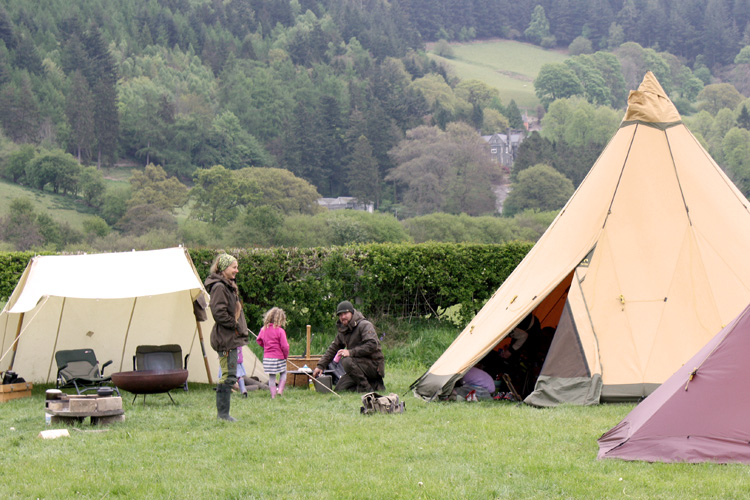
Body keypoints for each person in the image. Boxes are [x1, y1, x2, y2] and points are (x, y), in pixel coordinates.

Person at [204, 253, 249, 422]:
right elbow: (219, 313)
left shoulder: (228, 285)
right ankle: (223, 415)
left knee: (230, 375)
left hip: (231, 338)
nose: (237, 270)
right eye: (234, 267)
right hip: (225, 338)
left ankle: (224, 415)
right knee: (228, 376)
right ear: (223, 268)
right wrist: (234, 324)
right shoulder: (220, 287)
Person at [312, 301, 385, 392]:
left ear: (352, 313)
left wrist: (351, 352)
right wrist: (320, 366)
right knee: (340, 389)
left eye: (345, 313)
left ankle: (367, 388)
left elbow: (372, 345)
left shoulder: (364, 325)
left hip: (374, 365)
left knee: (346, 361)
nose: (343, 317)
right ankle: (374, 384)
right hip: (357, 365)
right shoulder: (343, 329)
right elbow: (333, 348)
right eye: (340, 315)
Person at [256, 307, 290, 399]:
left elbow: (258, 340)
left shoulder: (263, 329)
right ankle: (280, 391)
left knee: (272, 377)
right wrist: (285, 356)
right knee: (283, 373)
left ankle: (273, 395)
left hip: (267, 358)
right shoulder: (280, 331)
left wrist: (266, 346)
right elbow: (285, 346)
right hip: (279, 357)